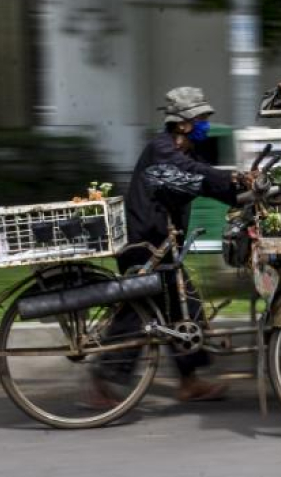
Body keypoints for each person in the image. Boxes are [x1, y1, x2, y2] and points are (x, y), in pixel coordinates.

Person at [89, 87, 244, 407]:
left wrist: (242, 193)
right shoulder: (162, 150)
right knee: (138, 311)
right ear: (183, 124)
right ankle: (101, 384)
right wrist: (234, 180)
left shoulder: (188, 154)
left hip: (163, 246)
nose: (205, 124)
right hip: (142, 244)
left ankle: (189, 381)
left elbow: (205, 183)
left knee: (185, 305)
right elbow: (196, 176)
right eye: (201, 118)